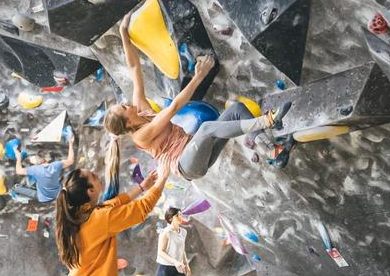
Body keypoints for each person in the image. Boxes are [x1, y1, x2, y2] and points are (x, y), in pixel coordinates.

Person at [104, 12, 291, 182]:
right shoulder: (140, 136)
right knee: (207, 128)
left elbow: (134, 67)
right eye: (124, 108)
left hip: (198, 149)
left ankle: (272, 151)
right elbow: (174, 108)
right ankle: (266, 121)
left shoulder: (140, 107)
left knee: (237, 110)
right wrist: (199, 75)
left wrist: (123, 33)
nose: (127, 104)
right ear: (127, 123)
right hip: (187, 165)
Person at [15, 134, 75, 203]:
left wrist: (18, 158)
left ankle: (16, 189)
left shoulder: (35, 170)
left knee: (29, 191)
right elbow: (71, 161)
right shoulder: (56, 166)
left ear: (40, 160)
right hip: (57, 195)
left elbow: (18, 171)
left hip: (43, 198)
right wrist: (71, 143)